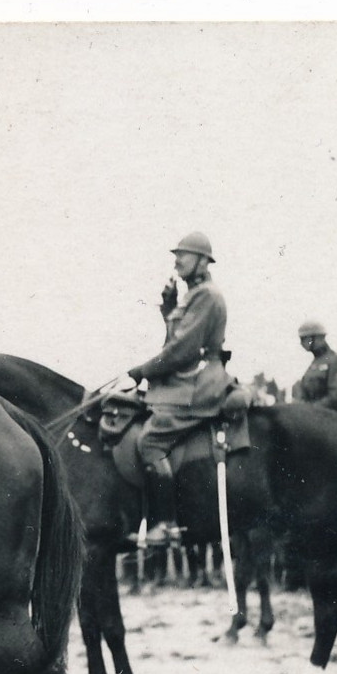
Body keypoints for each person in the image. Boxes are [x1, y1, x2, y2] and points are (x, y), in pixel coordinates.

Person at [125, 232, 229, 547]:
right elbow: (177, 340)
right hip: (187, 378)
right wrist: (168, 308)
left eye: (183, 255)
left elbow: (182, 350)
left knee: (151, 441)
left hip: (198, 382)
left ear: (201, 260)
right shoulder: (193, 296)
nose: (177, 260)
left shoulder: (206, 295)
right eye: (176, 255)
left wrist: (144, 370)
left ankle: (166, 524)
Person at [291, 321, 337, 415]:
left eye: (304, 339)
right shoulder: (313, 366)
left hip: (334, 418)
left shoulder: (336, 361)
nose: (301, 343)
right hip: (314, 416)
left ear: (317, 338)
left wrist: (311, 409)